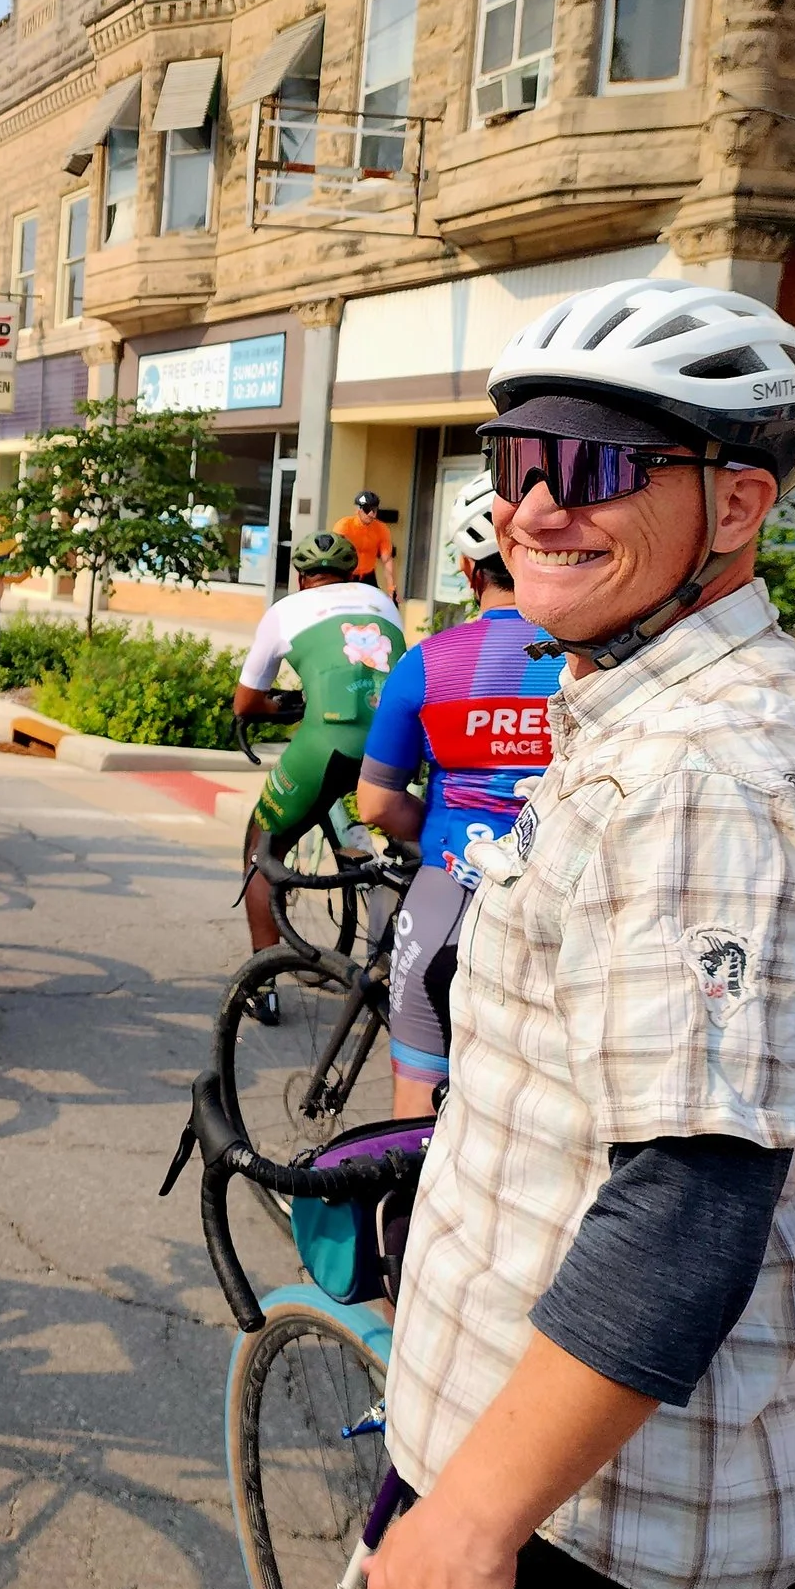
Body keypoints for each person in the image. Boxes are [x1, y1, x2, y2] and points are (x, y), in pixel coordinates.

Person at [368, 279, 795, 1589]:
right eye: (517, 461)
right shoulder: (640, 699)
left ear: (737, 504)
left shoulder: (701, 774)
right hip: (537, 1447)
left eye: (596, 467)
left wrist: (472, 1520)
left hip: (581, 1519)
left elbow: (687, 1199)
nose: (533, 508)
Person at [355, 469, 563, 1115]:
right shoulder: (595, 663)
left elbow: (376, 804)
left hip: (451, 887)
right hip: (565, 904)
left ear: (471, 572)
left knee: (416, 1106)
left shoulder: (425, 663)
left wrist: (437, 829)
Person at [232, 531, 404, 954]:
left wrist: (278, 708)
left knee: (262, 850)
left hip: (329, 741)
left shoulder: (284, 611)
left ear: (300, 578)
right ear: (354, 574)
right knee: (406, 841)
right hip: (399, 734)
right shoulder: (383, 602)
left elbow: (246, 702)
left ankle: (263, 978)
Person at [333, 488, 398, 601]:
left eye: (374, 510)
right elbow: (333, 553)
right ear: (358, 509)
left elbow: (387, 559)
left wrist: (391, 587)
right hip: (346, 574)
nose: (371, 513)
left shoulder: (381, 529)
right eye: (367, 509)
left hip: (368, 575)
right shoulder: (344, 525)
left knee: (378, 604)